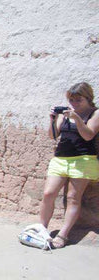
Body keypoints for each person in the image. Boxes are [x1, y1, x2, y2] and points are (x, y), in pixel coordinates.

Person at [39, 82, 99, 248]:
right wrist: (53, 120)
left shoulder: (95, 114)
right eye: (71, 100)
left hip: (83, 160)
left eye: (78, 100)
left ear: (88, 98)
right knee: (48, 193)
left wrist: (77, 119)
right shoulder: (65, 114)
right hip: (61, 159)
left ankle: (63, 235)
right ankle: (42, 229)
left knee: (73, 197)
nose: (74, 103)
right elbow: (53, 135)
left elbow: (88, 136)